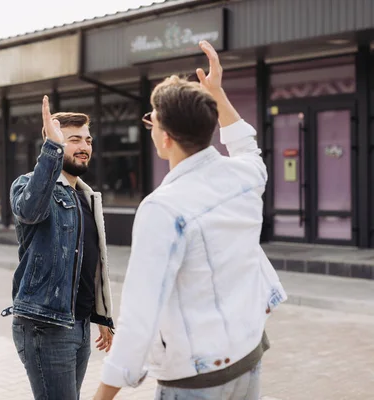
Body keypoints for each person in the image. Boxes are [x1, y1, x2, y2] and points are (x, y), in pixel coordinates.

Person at [93, 40, 287, 400]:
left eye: (151, 120)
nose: (150, 127)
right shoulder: (246, 176)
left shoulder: (162, 208)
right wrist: (216, 93)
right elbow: (246, 146)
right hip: (249, 355)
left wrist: (103, 395)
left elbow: (140, 315)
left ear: (165, 139)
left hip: (196, 380)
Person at [1, 96, 115, 400]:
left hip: (77, 325)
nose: (85, 147)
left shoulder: (86, 196)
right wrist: (51, 149)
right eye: (74, 139)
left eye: (88, 140)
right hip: (45, 327)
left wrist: (102, 316)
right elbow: (29, 211)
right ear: (51, 143)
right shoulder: (29, 186)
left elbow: (92, 262)